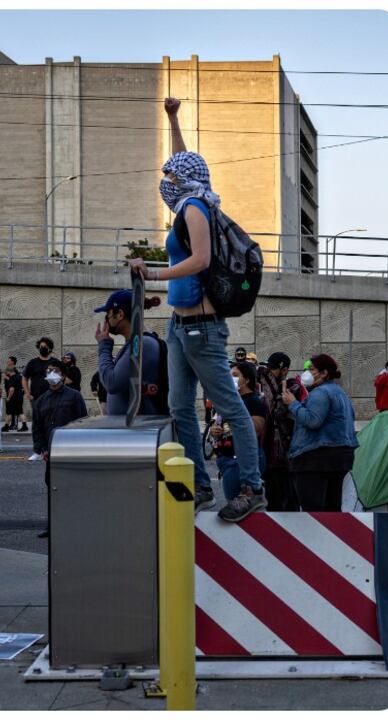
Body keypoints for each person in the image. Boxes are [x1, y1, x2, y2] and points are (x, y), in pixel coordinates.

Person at [128, 96, 265, 522]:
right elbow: (183, 160)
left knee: (230, 408)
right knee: (181, 407)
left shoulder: (194, 207)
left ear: (184, 180)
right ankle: (199, 487)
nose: (165, 177)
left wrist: (152, 274)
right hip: (179, 325)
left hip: (203, 329)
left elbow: (201, 259)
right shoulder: (189, 199)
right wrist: (173, 119)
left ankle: (251, 487)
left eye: (170, 174)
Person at [283, 354, 357, 511]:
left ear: (324, 373)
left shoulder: (320, 393)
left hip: (316, 458)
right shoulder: (340, 392)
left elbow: (312, 420)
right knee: (332, 508)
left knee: (314, 511)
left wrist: (293, 404)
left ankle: (316, 536)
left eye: (312, 369)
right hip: (341, 456)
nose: (307, 373)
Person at [31, 365, 87, 538]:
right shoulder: (41, 401)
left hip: (70, 451)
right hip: (51, 452)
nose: (52, 374)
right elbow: (37, 428)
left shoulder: (74, 396)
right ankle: (53, 525)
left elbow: (82, 422)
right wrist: (42, 449)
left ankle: (75, 523)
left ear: (63, 376)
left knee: (73, 488)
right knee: (53, 489)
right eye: (48, 371)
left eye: (55, 371)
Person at [94, 288, 163, 416]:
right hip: (130, 431)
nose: (106, 320)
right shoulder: (135, 344)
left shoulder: (143, 345)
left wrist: (104, 347)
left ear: (120, 314)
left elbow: (112, 383)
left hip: (139, 430)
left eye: (107, 314)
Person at [211, 361, 268, 504]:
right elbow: (218, 423)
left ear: (247, 379)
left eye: (235, 375)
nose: (231, 379)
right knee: (233, 501)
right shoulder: (230, 401)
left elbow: (256, 428)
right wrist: (215, 430)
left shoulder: (253, 401)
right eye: (229, 375)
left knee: (240, 505)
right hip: (227, 459)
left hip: (240, 461)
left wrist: (233, 419)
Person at [256, 352, 305, 511]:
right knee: (273, 500)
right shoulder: (266, 388)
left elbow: (276, 410)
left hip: (286, 453)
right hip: (269, 451)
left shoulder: (292, 386)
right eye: (268, 369)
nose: (269, 373)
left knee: (289, 500)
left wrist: (265, 379)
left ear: (284, 370)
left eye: (273, 370)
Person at [22, 336, 56, 458]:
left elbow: (63, 377)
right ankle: (38, 451)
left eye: (45, 347)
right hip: (36, 398)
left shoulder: (55, 362)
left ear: (50, 348)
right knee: (37, 424)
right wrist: (27, 393)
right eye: (41, 346)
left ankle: (50, 449)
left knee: (51, 423)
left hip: (52, 397)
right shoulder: (32, 363)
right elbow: (24, 377)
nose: (43, 348)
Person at [3, 357, 25, 431]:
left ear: (12, 362)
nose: (7, 362)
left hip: (13, 394)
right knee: (17, 411)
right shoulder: (11, 371)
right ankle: (12, 424)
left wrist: (7, 378)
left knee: (11, 411)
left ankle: (12, 424)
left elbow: (14, 383)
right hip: (13, 394)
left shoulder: (14, 371)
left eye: (9, 361)